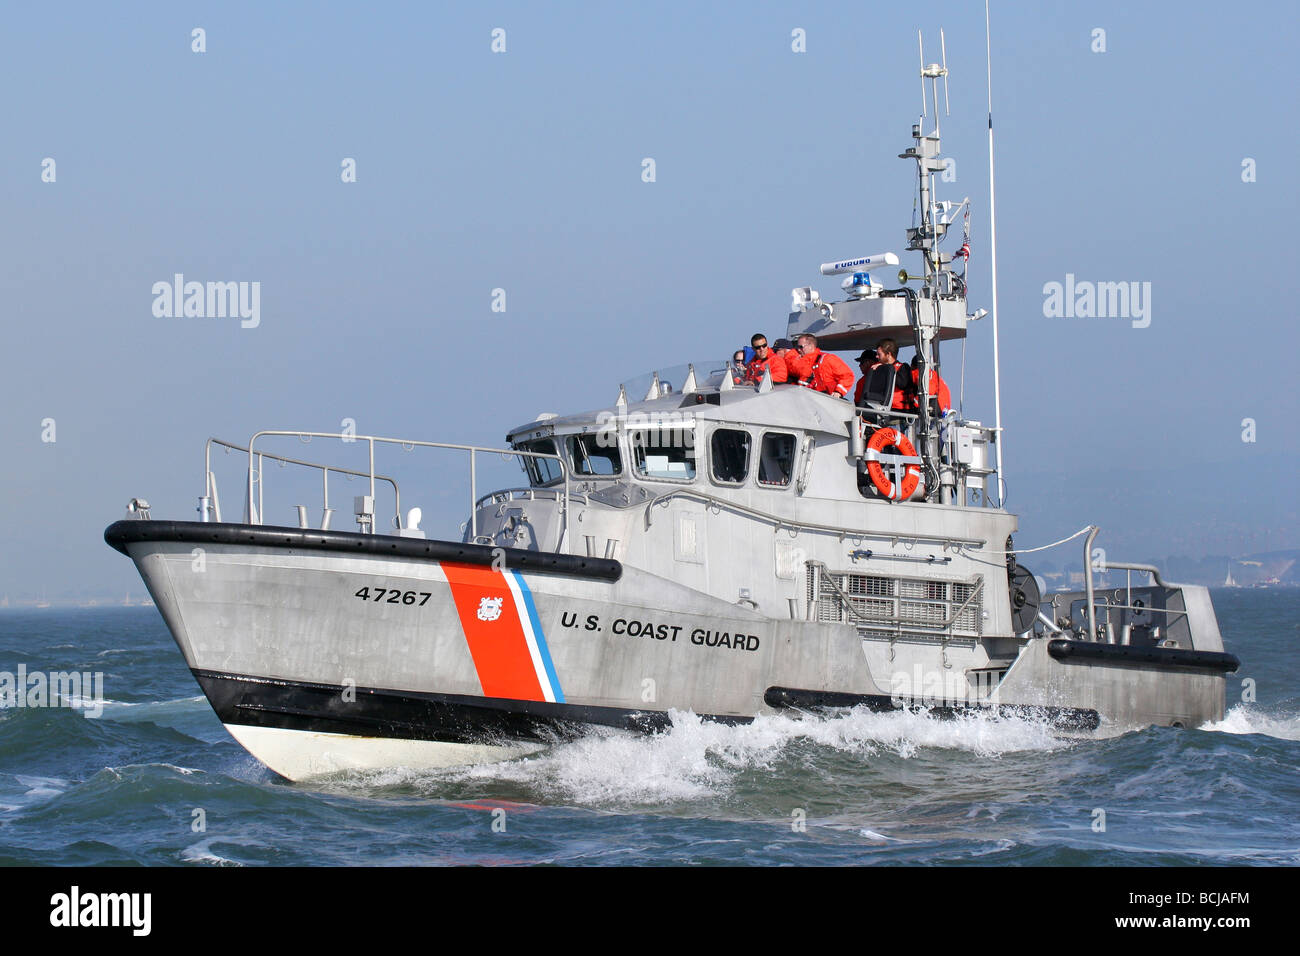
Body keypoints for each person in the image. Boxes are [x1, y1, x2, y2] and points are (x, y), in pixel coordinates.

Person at [787, 333, 854, 399]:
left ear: (811, 346)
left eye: (801, 347)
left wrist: (838, 392)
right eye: (797, 347)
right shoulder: (798, 362)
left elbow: (847, 375)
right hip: (807, 400)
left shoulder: (828, 359)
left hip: (827, 400)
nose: (798, 350)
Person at [859, 338, 910, 410]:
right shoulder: (877, 368)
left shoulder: (903, 367)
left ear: (888, 354)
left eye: (879, 354)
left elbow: (903, 384)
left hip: (898, 411)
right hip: (880, 409)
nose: (876, 356)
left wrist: (887, 369)